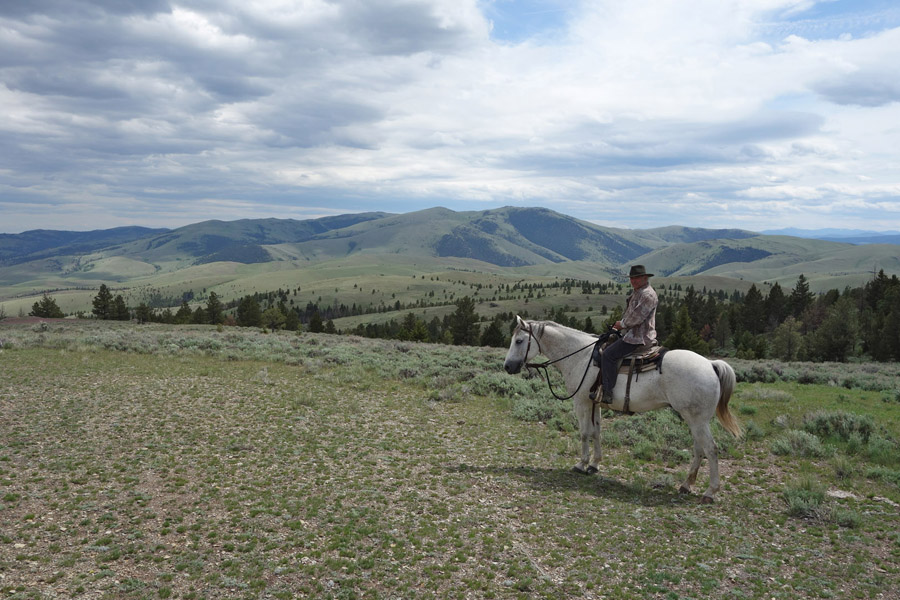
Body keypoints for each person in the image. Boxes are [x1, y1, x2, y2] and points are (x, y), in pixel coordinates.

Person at [600, 265, 658, 404]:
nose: (633, 280)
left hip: (638, 337)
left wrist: (621, 324)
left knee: (608, 355)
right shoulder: (639, 292)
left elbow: (636, 317)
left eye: (637, 277)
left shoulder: (647, 295)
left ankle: (608, 392)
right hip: (632, 333)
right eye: (632, 278)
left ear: (645, 277)